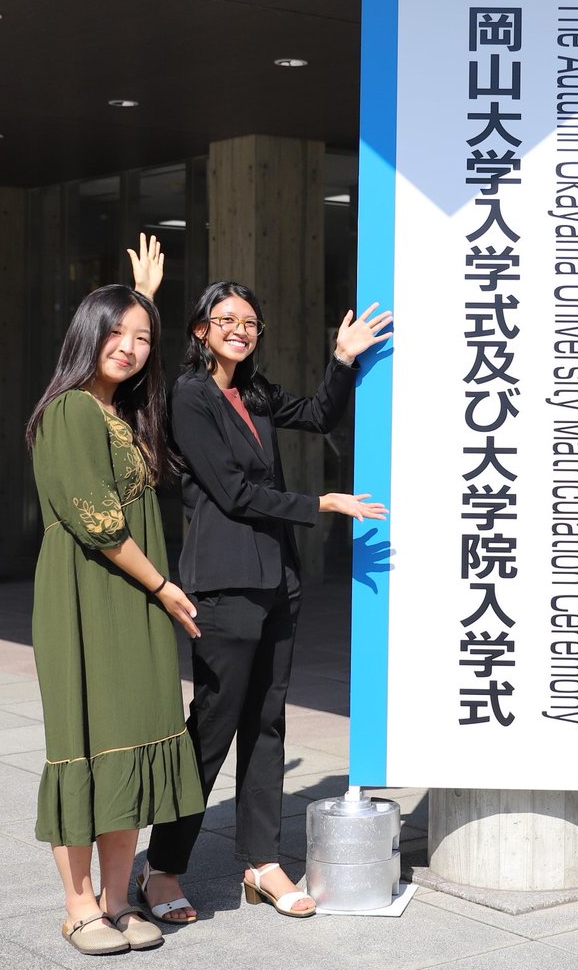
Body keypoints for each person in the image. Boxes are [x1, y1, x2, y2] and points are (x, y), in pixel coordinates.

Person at [140, 282, 392, 922]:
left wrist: (343, 359)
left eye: (250, 322)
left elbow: (318, 415)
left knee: (267, 723)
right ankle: (163, 868)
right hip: (224, 583)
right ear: (201, 330)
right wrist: (320, 503)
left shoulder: (253, 391)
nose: (240, 330)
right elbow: (231, 492)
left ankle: (261, 862)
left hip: (278, 577)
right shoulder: (190, 396)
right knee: (212, 727)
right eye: (226, 319)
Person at [26, 235, 204, 956]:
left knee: (130, 741)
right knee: (86, 744)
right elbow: (98, 522)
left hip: (129, 596)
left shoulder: (116, 411)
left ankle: (117, 898)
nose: (129, 348)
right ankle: (78, 908)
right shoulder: (71, 410)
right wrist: (164, 586)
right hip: (88, 599)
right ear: (86, 335)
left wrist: (143, 304)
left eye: (142, 339)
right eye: (115, 334)